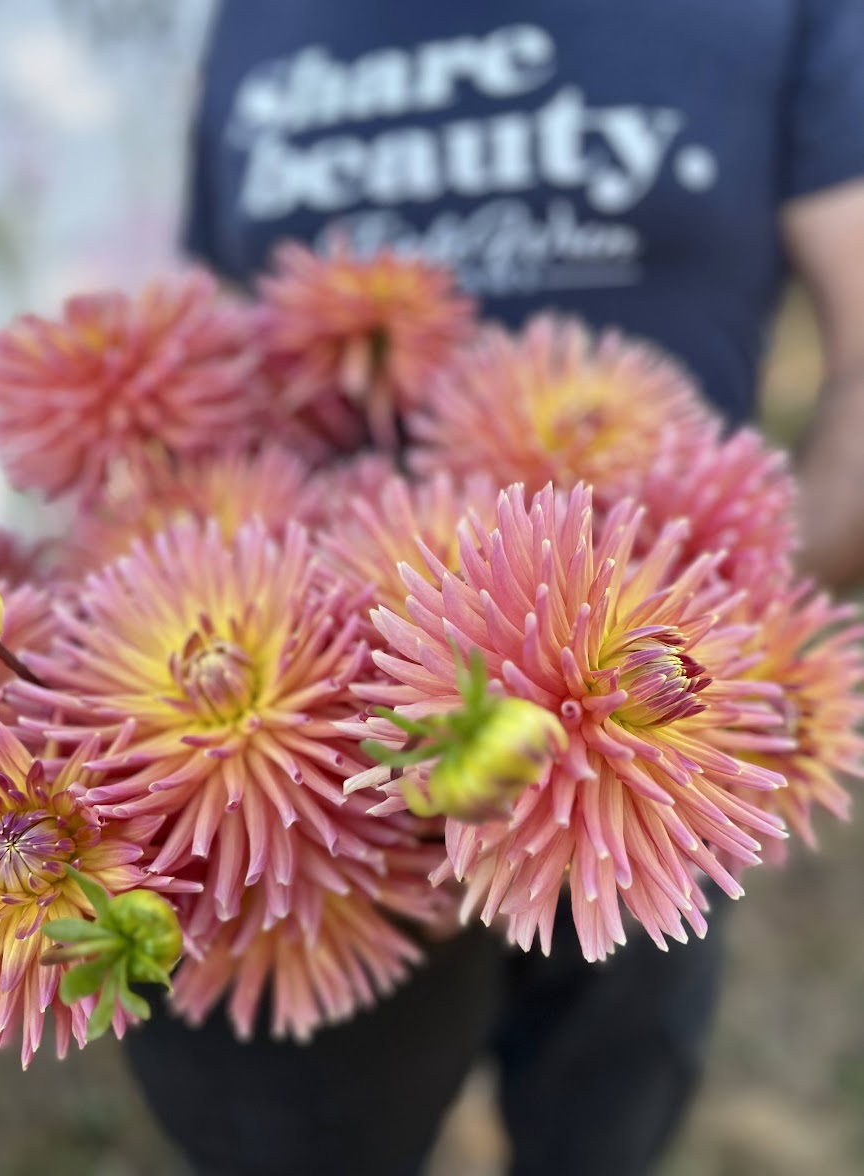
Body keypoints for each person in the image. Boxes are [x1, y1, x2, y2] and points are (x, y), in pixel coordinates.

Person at [123, 3, 864, 1174]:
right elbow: (228, 337)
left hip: (672, 693)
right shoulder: (254, 21)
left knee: (608, 1098)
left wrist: (753, 595)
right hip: (323, 736)